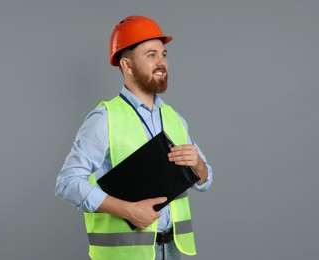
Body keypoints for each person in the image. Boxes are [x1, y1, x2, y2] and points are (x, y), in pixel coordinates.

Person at [55, 15, 213, 260]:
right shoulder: (104, 118)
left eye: (164, 54)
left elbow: (204, 180)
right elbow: (67, 183)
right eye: (151, 55)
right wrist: (128, 211)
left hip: (172, 251)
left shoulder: (175, 118)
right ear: (127, 65)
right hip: (126, 255)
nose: (162, 63)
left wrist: (199, 166)